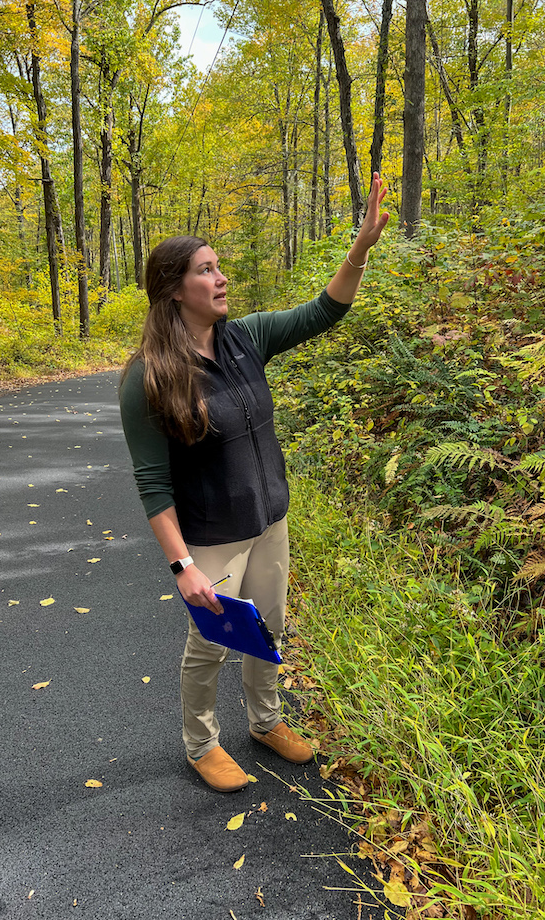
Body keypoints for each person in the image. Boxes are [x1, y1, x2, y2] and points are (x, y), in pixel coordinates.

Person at [120, 173, 389, 792]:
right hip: (212, 536)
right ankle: (201, 744)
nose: (221, 279)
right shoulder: (149, 378)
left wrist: (361, 248)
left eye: (219, 267)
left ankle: (266, 722)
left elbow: (325, 310)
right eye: (206, 270)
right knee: (212, 642)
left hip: (271, 520)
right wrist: (181, 566)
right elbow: (152, 484)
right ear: (173, 289)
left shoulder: (246, 337)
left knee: (270, 623)